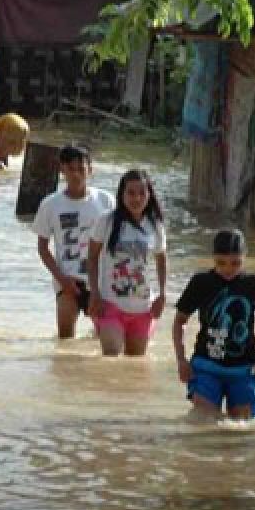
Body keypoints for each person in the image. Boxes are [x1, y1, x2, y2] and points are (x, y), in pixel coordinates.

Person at [173, 229, 255, 420]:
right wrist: (181, 360)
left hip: (244, 369)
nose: (228, 269)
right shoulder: (201, 282)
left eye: (235, 263)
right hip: (206, 365)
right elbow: (180, 320)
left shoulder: (254, 284)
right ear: (212, 258)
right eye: (221, 263)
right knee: (204, 423)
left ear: (245, 258)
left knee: (240, 430)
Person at [32, 145, 115, 339]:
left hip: (101, 282)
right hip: (68, 281)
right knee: (65, 339)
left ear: (90, 169)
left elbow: (115, 242)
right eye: (71, 169)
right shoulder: (50, 205)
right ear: (62, 170)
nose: (76, 175)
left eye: (81, 169)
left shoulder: (106, 201)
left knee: (105, 340)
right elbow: (43, 248)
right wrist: (61, 278)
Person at [87, 169, 167, 357]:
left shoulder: (155, 226)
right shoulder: (106, 221)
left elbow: (161, 260)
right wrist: (94, 293)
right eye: (130, 193)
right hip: (110, 304)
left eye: (142, 193)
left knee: (134, 365)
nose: (136, 198)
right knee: (111, 355)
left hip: (143, 308)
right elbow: (92, 258)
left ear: (149, 195)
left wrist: (163, 294)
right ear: (121, 194)